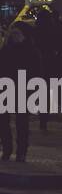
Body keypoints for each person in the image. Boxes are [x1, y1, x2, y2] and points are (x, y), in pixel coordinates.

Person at [0, 22, 41, 162]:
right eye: (13, 34)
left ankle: (21, 151)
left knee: (22, 122)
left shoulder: (31, 51)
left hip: (23, 89)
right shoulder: (6, 50)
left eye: (18, 34)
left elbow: (36, 72)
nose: (15, 36)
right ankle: (7, 149)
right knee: (4, 121)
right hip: (6, 88)